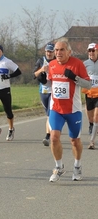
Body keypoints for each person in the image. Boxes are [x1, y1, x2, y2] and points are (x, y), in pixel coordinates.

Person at [37, 38, 91, 182]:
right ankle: (59, 167)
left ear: (69, 51)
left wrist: (74, 77)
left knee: (75, 140)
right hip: (56, 109)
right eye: (56, 50)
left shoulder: (77, 64)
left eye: (61, 50)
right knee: (54, 137)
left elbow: (88, 84)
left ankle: (77, 166)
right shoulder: (52, 64)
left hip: (73, 110)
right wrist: (43, 79)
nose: (58, 53)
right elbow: (49, 83)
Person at [0, 43, 22, 142]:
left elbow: (18, 71)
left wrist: (8, 76)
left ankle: (11, 129)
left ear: (2, 52)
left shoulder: (7, 62)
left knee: (8, 111)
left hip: (5, 90)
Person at [33, 43, 56, 146]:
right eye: (47, 51)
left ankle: (48, 136)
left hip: (54, 91)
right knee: (47, 113)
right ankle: (52, 130)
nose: (49, 53)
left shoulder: (57, 61)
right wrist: (42, 69)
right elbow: (34, 75)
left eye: (51, 51)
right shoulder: (41, 61)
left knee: (50, 114)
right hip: (43, 91)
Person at [81, 43, 98, 149]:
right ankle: (91, 125)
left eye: (93, 50)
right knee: (91, 118)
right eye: (89, 51)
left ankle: (92, 142)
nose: (91, 53)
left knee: (96, 116)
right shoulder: (85, 64)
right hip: (89, 94)